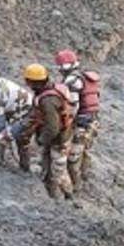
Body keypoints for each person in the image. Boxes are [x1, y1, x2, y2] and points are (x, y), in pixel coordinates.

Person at [22, 63, 74, 200]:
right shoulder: (46, 92)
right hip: (54, 137)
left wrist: (40, 141)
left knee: (59, 172)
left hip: (58, 140)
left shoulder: (48, 101)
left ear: (34, 82)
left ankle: (68, 197)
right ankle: (52, 193)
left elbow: (52, 127)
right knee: (46, 167)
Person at [55, 49, 102, 188]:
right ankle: (84, 175)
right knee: (84, 150)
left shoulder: (73, 81)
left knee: (73, 157)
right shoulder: (85, 77)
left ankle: (76, 185)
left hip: (81, 124)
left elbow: (73, 107)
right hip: (93, 121)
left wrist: (64, 124)